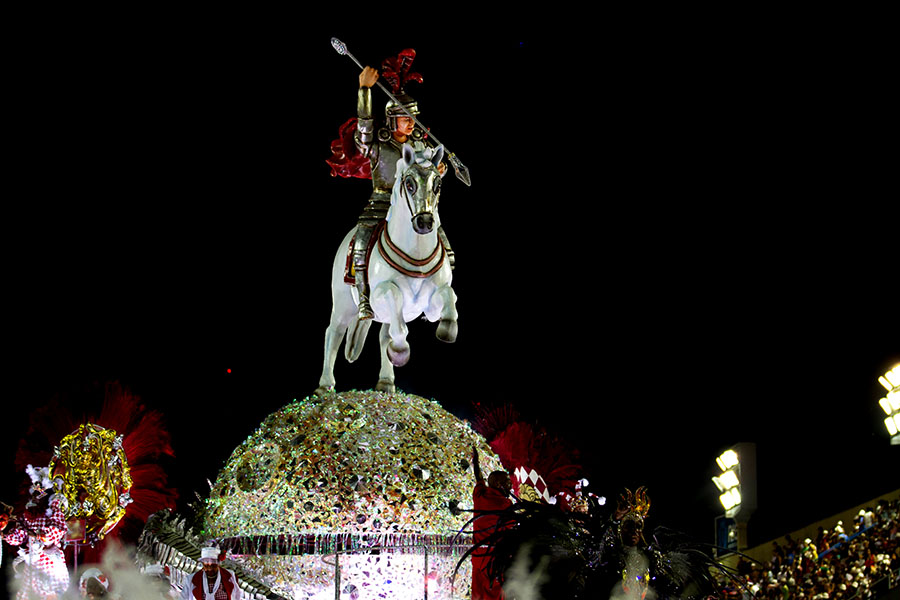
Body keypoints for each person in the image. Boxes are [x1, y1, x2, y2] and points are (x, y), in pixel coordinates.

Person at [327, 48, 451, 320]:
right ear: (393, 118)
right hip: (381, 202)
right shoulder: (379, 145)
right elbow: (362, 134)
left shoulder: (420, 145)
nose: (411, 123)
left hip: (416, 206)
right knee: (360, 242)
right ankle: (362, 298)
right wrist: (364, 91)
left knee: (446, 248)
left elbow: (425, 173)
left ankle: (432, 294)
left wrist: (437, 171)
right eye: (406, 117)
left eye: (413, 118)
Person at [2, 465, 70, 600]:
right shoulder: (28, 515)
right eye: (32, 495)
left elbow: (58, 529)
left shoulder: (52, 510)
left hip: (49, 561)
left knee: (49, 590)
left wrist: (39, 536)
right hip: (33, 561)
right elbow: (20, 534)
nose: (34, 498)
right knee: (25, 594)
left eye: (37, 495)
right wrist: (6, 536)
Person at [471, 445, 512, 600]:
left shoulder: (479, 495)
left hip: (478, 557)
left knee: (478, 592)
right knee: (495, 593)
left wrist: (476, 462)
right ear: (498, 484)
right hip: (495, 559)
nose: (511, 485)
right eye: (507, 482)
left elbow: (479, 478)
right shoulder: (505, 504)